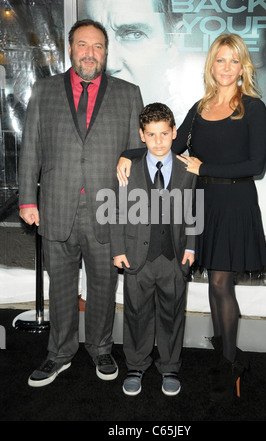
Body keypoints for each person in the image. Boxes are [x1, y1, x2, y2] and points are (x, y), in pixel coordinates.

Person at [117, 33, 266, 402]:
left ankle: (230, 363)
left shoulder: (253, 107)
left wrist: (206, 166)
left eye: (234, 61)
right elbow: (168, 142)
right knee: (214, 287)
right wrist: (127, 152)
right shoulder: (200, 107)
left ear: (242, 66)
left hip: (234, 202)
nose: (227, 67)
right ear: (211, 64)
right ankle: (225, 353)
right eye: (220, 59)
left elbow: (257, 164)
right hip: (201, 204)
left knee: (221, 284)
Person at [18, 19, 144, 387]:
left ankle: (101, 348)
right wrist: (28, 198)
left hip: (108, 208)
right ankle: (59, 353)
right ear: (70, 48)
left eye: (98, 46)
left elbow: (138, 154)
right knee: (60, 285)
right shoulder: (44, 90)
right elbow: (31, 150)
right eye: (83, 45)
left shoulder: (128, 93)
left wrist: (133, 210)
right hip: (56, 206)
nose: (90, 53)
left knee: (104, 284)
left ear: (106, 51)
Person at [110, 103, 197, 396]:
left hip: (174, 256)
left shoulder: (188, 169)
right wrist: (119, 248)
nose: (158, 141)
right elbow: (117, 211)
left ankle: (170, 366)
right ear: (141, 136)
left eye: (164, 133)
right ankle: (135, 365)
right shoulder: (128, 169)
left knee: (173, 313)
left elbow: (194, 209)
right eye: (151, 134)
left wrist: (192, 248)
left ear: (174, 133)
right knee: (136, 313)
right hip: (137, 257)